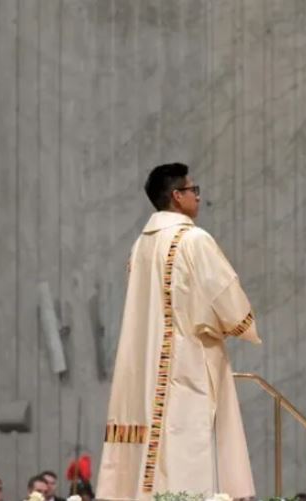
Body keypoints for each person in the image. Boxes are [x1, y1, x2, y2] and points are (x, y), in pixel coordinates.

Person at [98, 163, 261, 500]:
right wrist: (240, 325)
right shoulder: (193, 240)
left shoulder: (141, 245)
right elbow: (226, 299)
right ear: (176, 196)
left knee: (159, 447)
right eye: (193, 190)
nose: (198, 196)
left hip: (145, 366)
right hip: (189, 362)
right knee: (190, 447)